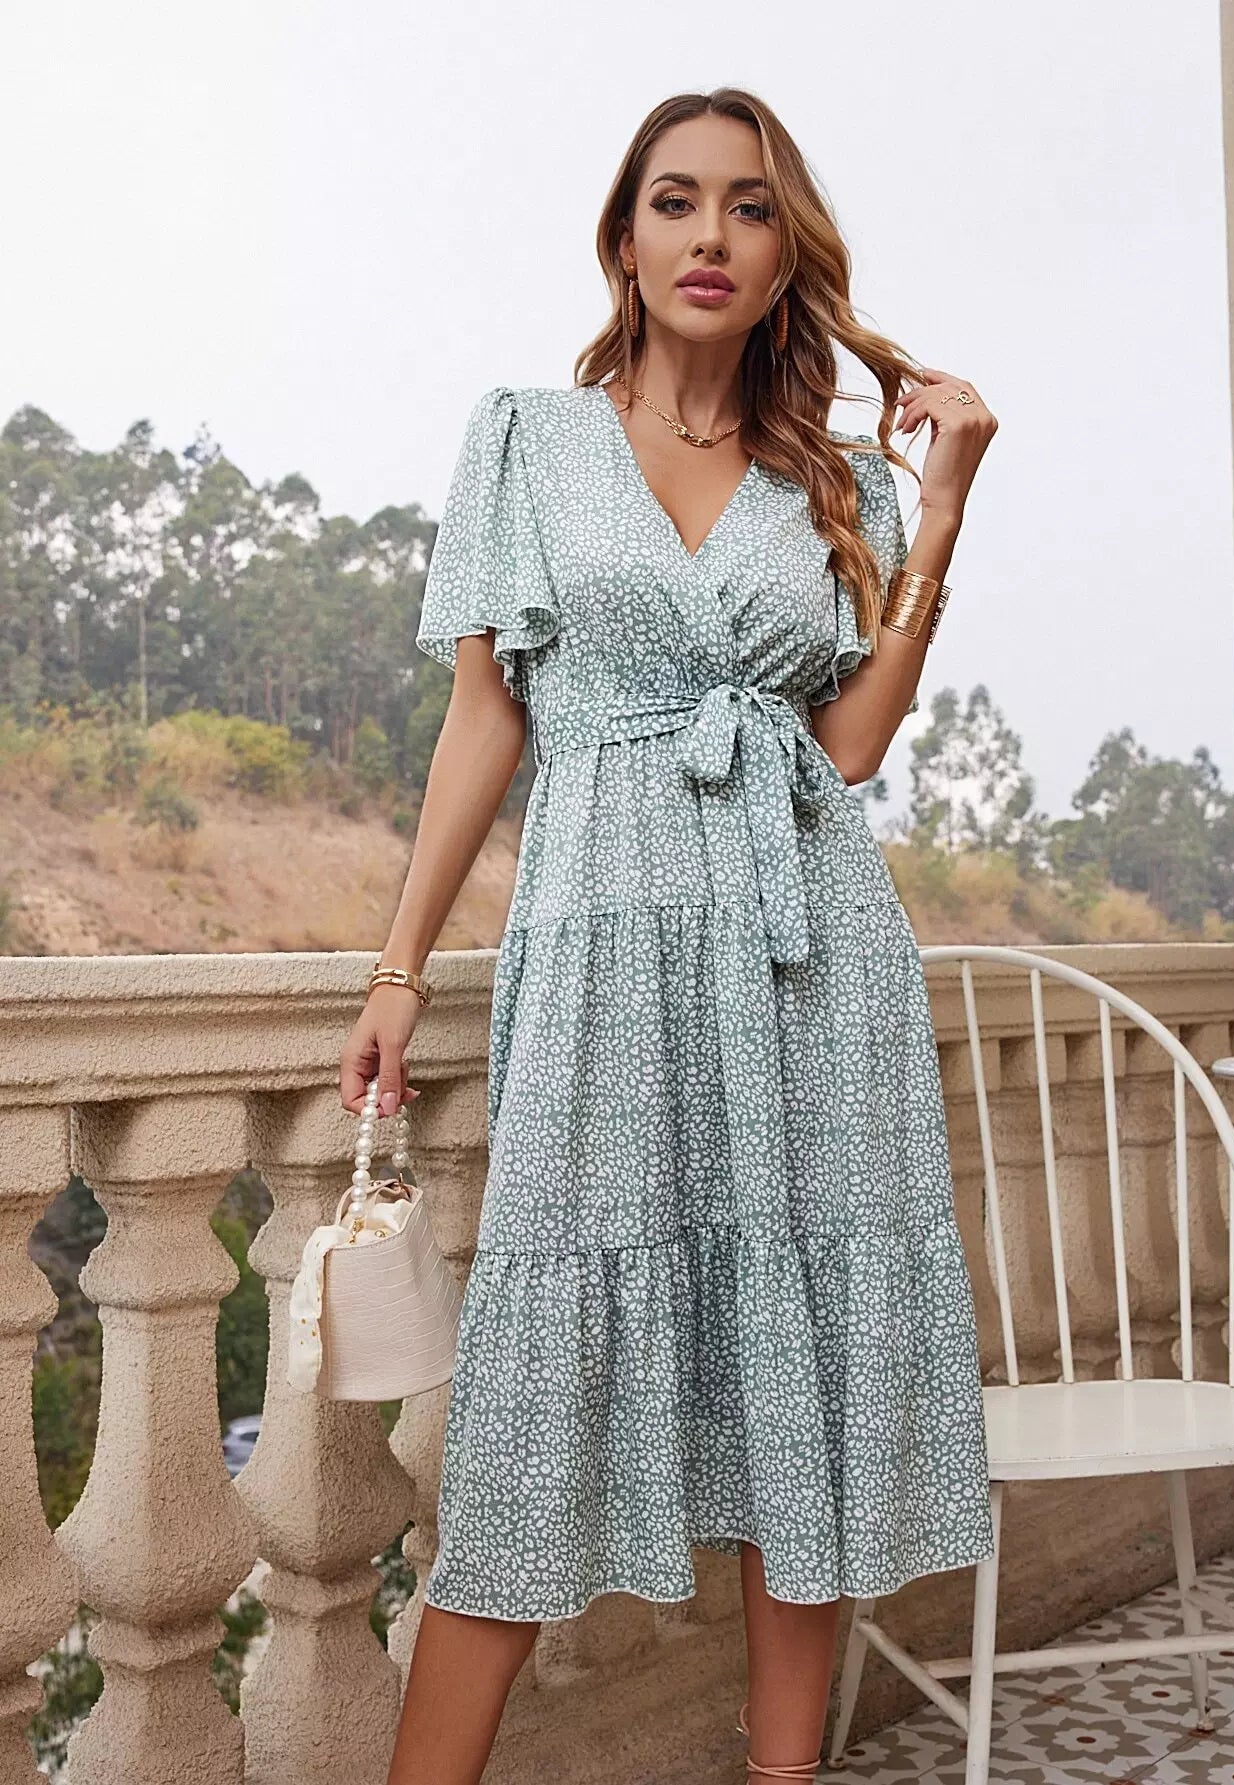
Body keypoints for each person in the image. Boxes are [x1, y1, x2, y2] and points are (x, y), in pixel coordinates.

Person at [340, 84, 998, 1785]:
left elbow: (849, 750)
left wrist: (940, 512)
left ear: (786, 257)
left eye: (751, 208)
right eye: (678, 200)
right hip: (602, 951)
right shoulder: (528, 440)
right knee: (531, 1403)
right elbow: (486, 717)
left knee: (806, 1381)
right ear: (624, 240)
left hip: (810, 957)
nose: (713, 235)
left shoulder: (835, 479)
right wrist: (399, 965)